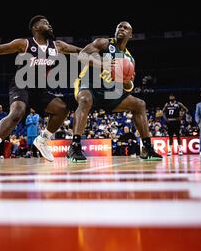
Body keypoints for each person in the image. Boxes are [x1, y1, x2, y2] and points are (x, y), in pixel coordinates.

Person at [0, 15, 81, 164]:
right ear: (35, 27)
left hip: (39, 89)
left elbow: (80, 51)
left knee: (62, 109)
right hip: (21, 84)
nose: (49, 25)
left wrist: (101, 52)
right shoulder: (24, 43)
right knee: (17, 112)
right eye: (45, 23)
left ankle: (42, 140)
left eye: (49, 23)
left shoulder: (57, 46)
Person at [68, 21, 162, 162]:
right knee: (85, 100)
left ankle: (147, 148)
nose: (121, 29)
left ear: (130, 35)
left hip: (110, 93)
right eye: (119, 27)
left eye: (125, 28)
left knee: (140, 104)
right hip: (89, 86)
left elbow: (129, 87)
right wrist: (102, 63)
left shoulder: (129, 59)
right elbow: (82, 55)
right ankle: (74, 147)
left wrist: (126, 81)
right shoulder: (104, 43)